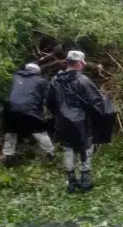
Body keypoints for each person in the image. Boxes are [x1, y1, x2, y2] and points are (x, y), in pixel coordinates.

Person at [47, 50, 116, 193]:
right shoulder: (83, 80)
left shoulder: (55, 80)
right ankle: (85, 180)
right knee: (85, 148)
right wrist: (106, 109)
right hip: (81, 122)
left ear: (67, 62)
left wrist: (59, 115)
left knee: (68, 148)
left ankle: (71, 181)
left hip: (63, 122)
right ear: (79, 64)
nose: (83, 66)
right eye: (83, 63)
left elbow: (49, 102)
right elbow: (96, 102)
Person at [2, 63, 55, 167]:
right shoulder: (41, 81)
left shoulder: (16, 77)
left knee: (11, 133)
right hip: (30, 110)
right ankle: (51, 155)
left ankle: (8, 157)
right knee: (40, 132)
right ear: (38, 73)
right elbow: (48, 98)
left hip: (10, 110)